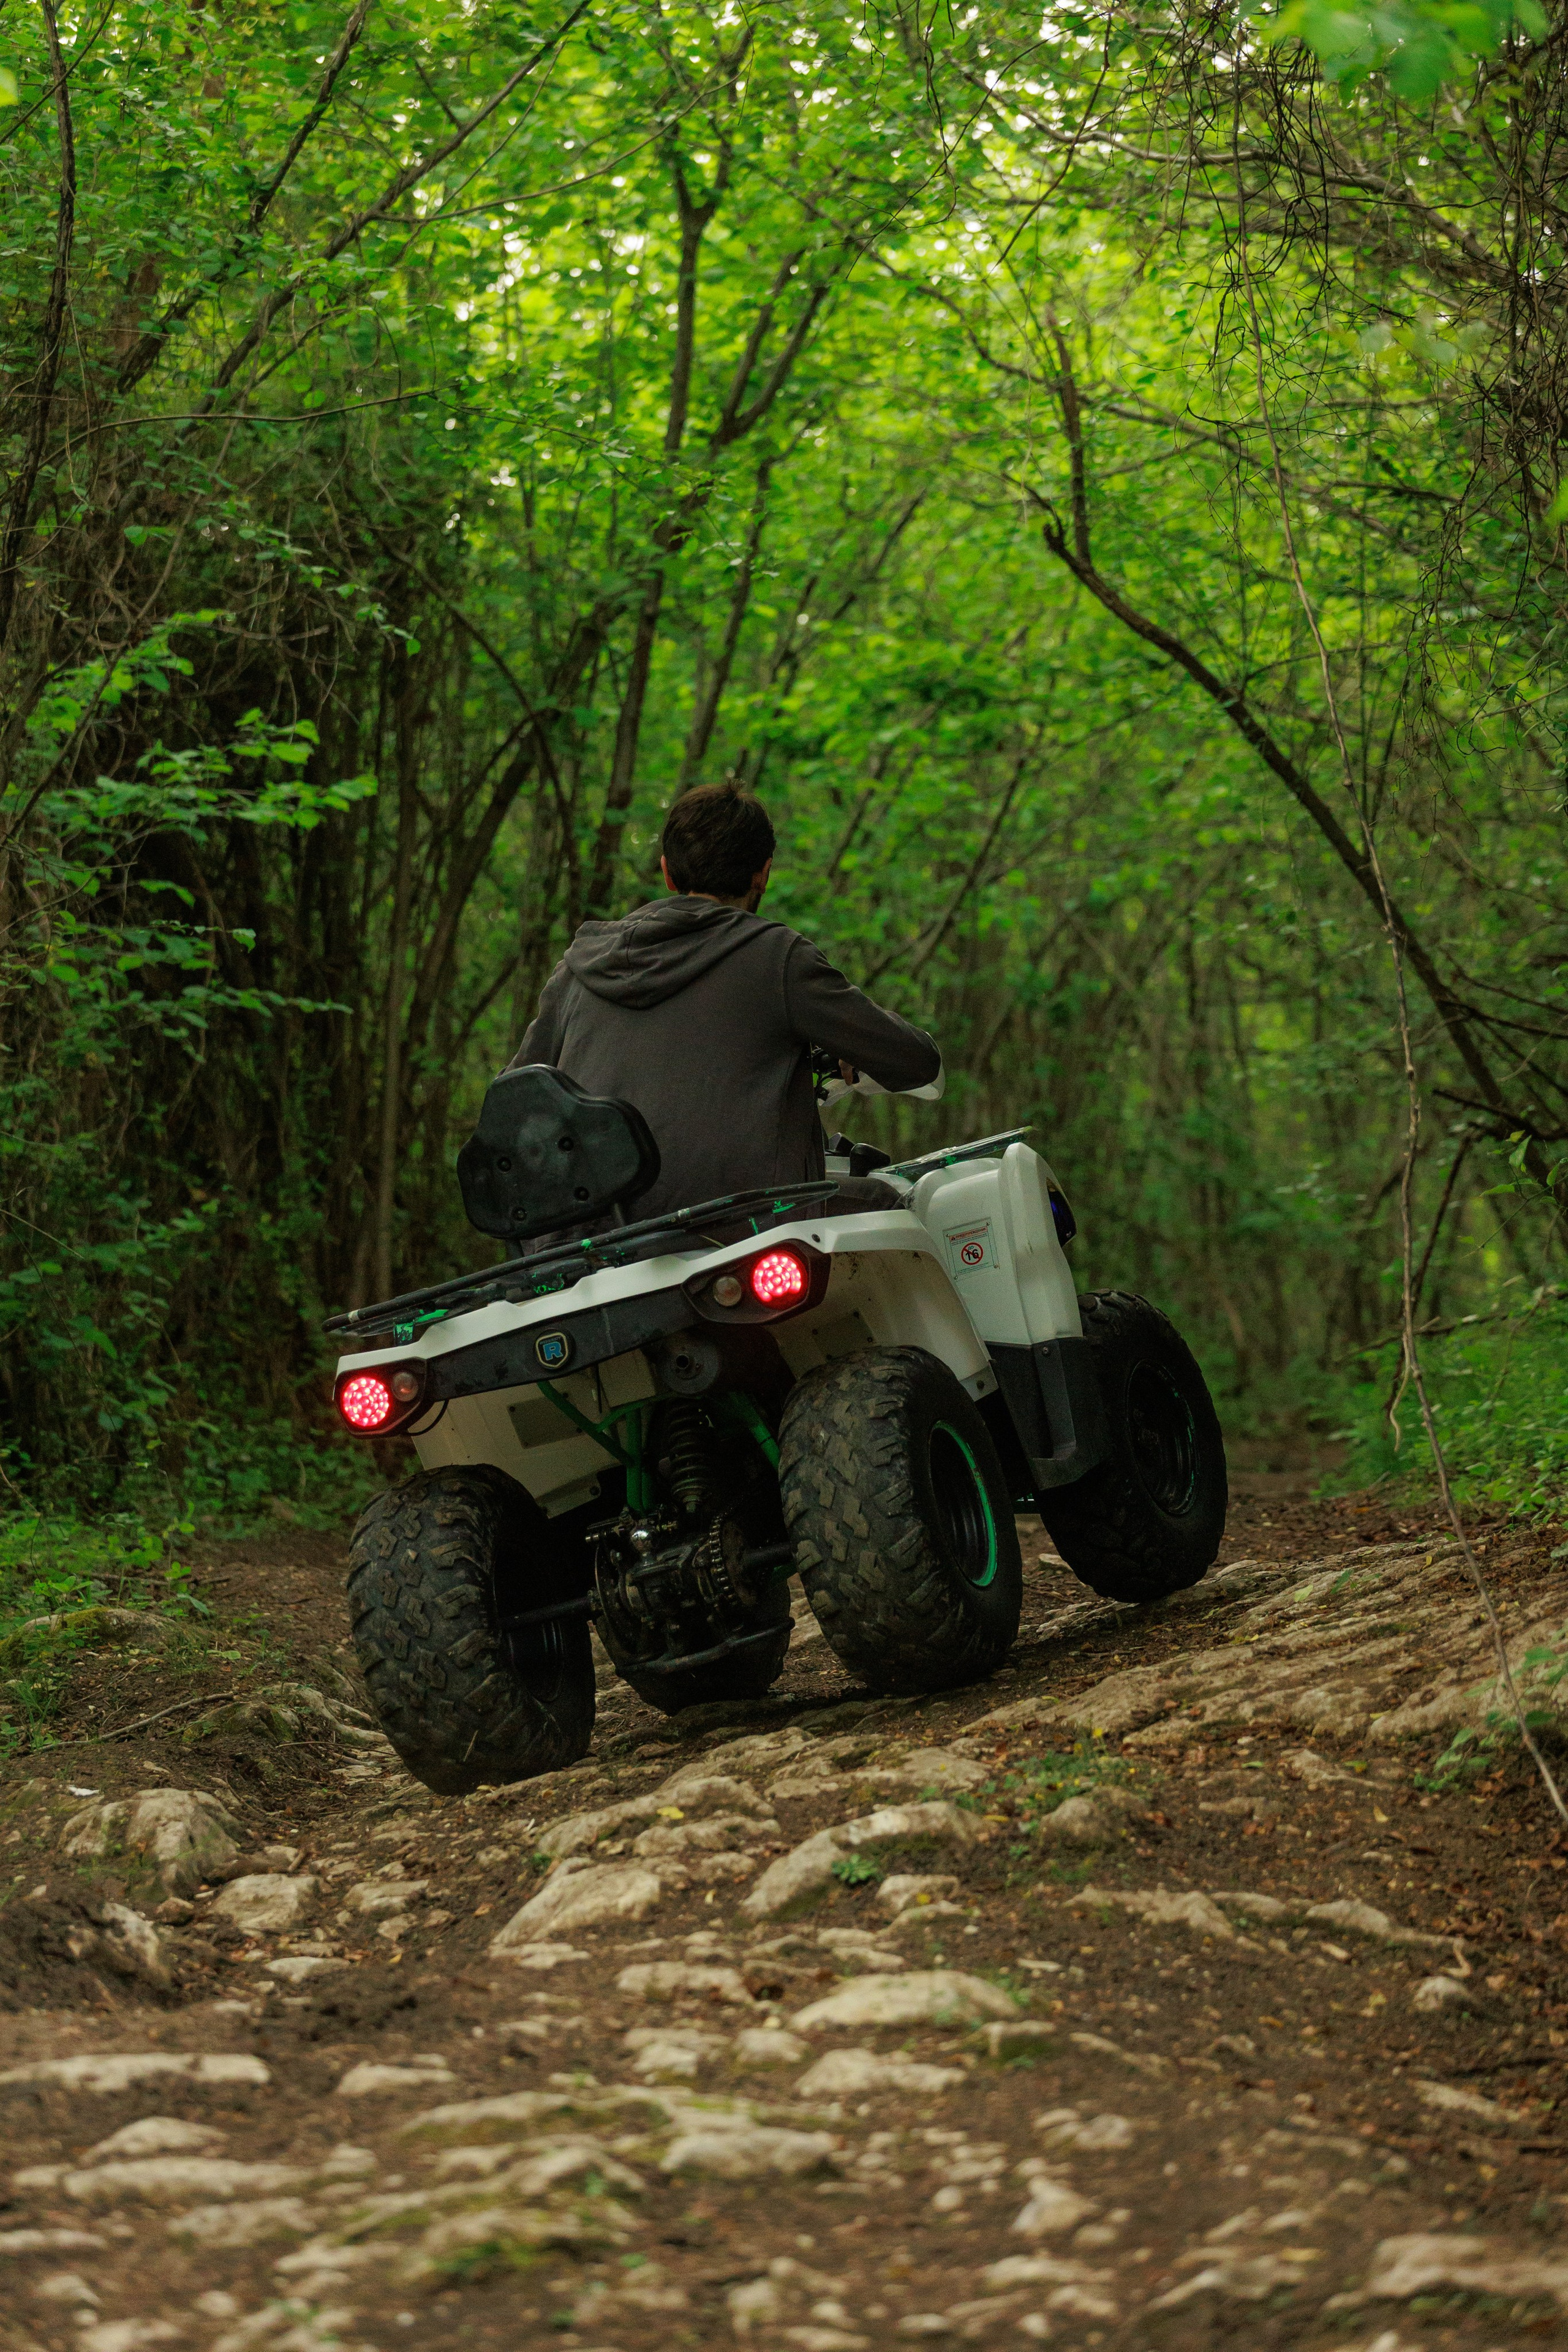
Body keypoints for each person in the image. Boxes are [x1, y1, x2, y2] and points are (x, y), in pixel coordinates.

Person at [511, 783, 941, 1219]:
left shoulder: (577, 971)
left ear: (667, 873)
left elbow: (512, 1104)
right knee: (901, 1203)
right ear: (764, 874)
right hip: (744, 1223)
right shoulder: (776, 958)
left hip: (592, 1238)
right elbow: (916, 1062)